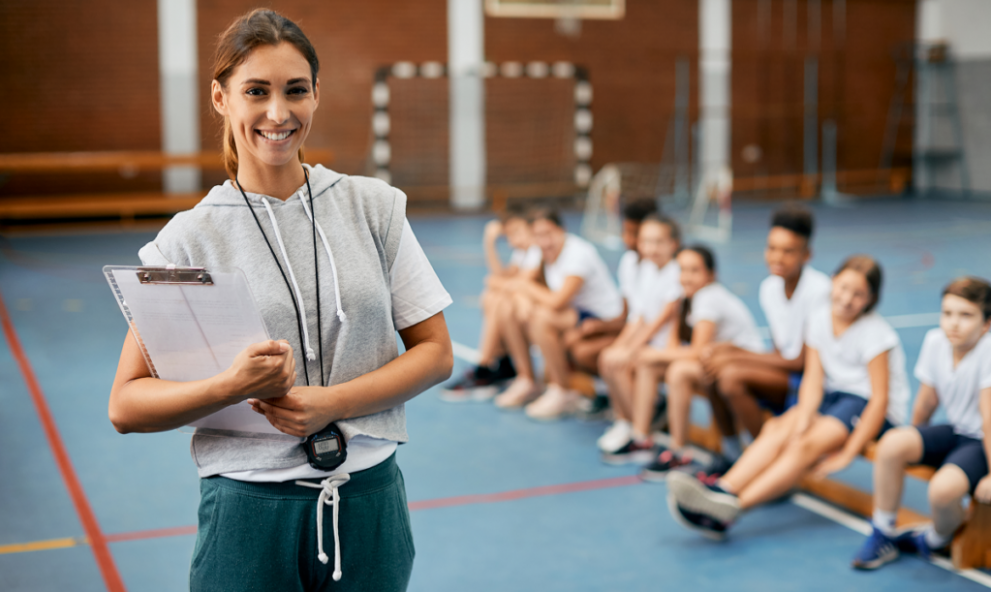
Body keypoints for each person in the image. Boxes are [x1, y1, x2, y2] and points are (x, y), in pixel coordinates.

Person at [107, 10, 453, 591]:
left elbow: (436, 353)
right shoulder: (188, 240)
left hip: (370, 504)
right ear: (220, 98)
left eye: (295, 90)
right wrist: (229, 386)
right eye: (256, 91)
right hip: (247, 515)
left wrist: (332, 403)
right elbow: (126, 404)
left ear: (316, 94)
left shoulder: (374, 207)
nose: (277, 112)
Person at [667, 255, 909, 540]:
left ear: (871, 299)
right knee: (778, 427)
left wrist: (847, 453)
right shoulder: (820, 318)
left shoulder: (875, 334)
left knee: (803, 446)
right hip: (835, 395)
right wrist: (804, 417)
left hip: (868, 406)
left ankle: (733, 508)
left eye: (858, 294)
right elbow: (813, 379)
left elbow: (880, 399)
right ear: (833, 282)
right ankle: (723, 489)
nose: (847, 299)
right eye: (843, 288)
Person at [852, 277, 991, 569]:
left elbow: (989, 419)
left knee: (942, 491)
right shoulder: (936, 341)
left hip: (982, 441)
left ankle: (933, 540)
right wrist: (915, 437)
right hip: (956, 430)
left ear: (986, 324)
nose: (954, 323)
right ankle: (883, 532)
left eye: (966, 315)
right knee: (892, 443)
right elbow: (927, 401)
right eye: (947, 313)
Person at [602, 245, 764, 472]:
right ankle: (641, 437)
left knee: (678, 372)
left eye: (694, 270)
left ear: (711, 274)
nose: (686, 277)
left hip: (742, 365)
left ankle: (680, 451)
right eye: (682, 270)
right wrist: (652, 355)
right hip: (717, 361)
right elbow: (678, 345)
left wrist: (655, 353)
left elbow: (697, 351)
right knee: (649, 365)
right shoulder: (688, 298)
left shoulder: (709, 297)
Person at [702, 208, 831, 465]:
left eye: (788, 251)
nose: (777, 257)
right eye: (772, 248)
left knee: (731, 377)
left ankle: (766, 459)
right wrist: (728, 353)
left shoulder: (820, 291)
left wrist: (735, 355)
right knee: (711, 367)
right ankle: (731, 451)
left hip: (814, 384)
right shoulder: (769, 288)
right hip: (788, 374)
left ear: (806, 254)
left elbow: (801, 363)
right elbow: (779, 352)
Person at [494, 207, 623, 420]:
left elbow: (557, 301)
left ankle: (562, 390)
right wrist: (522, 297)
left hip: (602, 319)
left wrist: (525, 289)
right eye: (538, 235)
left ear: (562, 230)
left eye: (549, 233)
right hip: (577, 314)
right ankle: (527, 379)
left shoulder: (578, 253)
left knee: (541, 318)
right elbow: (514, 285)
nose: (544, 241)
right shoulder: (542, 251)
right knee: (509, 308)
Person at [596, 214, 683, 452]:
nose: (651, 248)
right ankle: (625, 420)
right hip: (649, 341)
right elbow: (639, 318)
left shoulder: (676, 272)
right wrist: (620, 345)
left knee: (623, 363)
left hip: (665, 345)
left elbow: (660, 320)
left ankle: (641, 432)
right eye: (646, 242)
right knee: (608, 357)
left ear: (673, 243)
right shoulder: (647, 269)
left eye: (659, 242)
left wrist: (631, 350)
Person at [440, 205, 540, 401]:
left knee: (499, 299)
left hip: (538, 311)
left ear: (531, 228)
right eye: (509, 235)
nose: (513, 241)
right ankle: (501, 364)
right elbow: (500, 276)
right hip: (524, 306)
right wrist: (489, 242)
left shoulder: (536, 250)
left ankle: (485, 364)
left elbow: (517, 283)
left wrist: (499, 283)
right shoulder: (522, 253)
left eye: (517, 232)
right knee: (491, 296)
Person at [566, 198, 657, 375]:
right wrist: (598, 326)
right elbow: (626, 316)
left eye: (634, 234)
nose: (627, 239)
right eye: (625, 232)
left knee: (585, 352)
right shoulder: (628, 261)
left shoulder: (656, 268)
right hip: (631, 328)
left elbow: (646, 322)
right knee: (573, 341)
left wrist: (618, 342)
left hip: (648, 336)